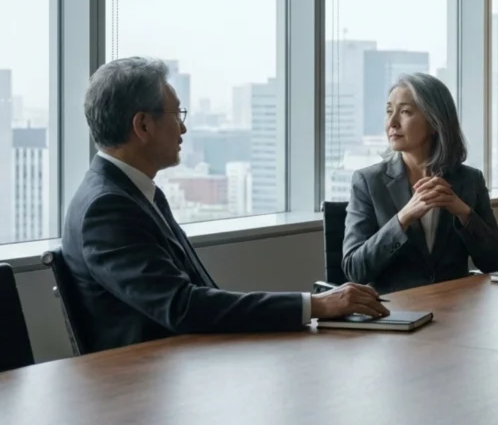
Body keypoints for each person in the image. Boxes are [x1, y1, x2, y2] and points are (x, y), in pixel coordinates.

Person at [62, 57, 388, 353]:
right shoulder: (107, 208)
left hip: (184, 361)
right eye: (177, 115)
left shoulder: (135, 193)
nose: (183, 128)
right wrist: (316, 305)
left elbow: (197, 294)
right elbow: (183, 306)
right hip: (147, 380)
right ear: (143, 125)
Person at [343, 73, 498, 294]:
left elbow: (496, 262)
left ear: (434, 122)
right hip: (396, 310)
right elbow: (355, 270)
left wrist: (464, 213)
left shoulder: (470, 181)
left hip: (457, 307)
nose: (392, 123)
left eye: (405, 112)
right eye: (389, 112)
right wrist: (403, 219)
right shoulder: (368, 182)